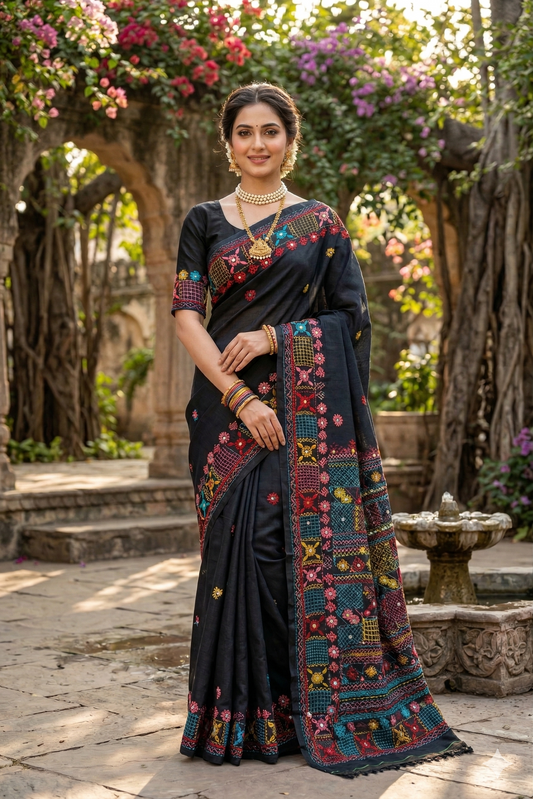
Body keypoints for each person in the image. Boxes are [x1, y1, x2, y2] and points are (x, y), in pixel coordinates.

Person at [171, 82, 472, 778]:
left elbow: (351, 320)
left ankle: (298, 709)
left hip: (307, 417)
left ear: (289, 139)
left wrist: (278, 335)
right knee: (236, 552)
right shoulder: (202, 220)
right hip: (224, 411)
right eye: (243, 132)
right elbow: (187, 315)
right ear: (227, 142)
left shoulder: (320, 224)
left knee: (282, 545)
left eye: (269, 131)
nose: (256, 144)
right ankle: (239, 716)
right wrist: (241, 397)